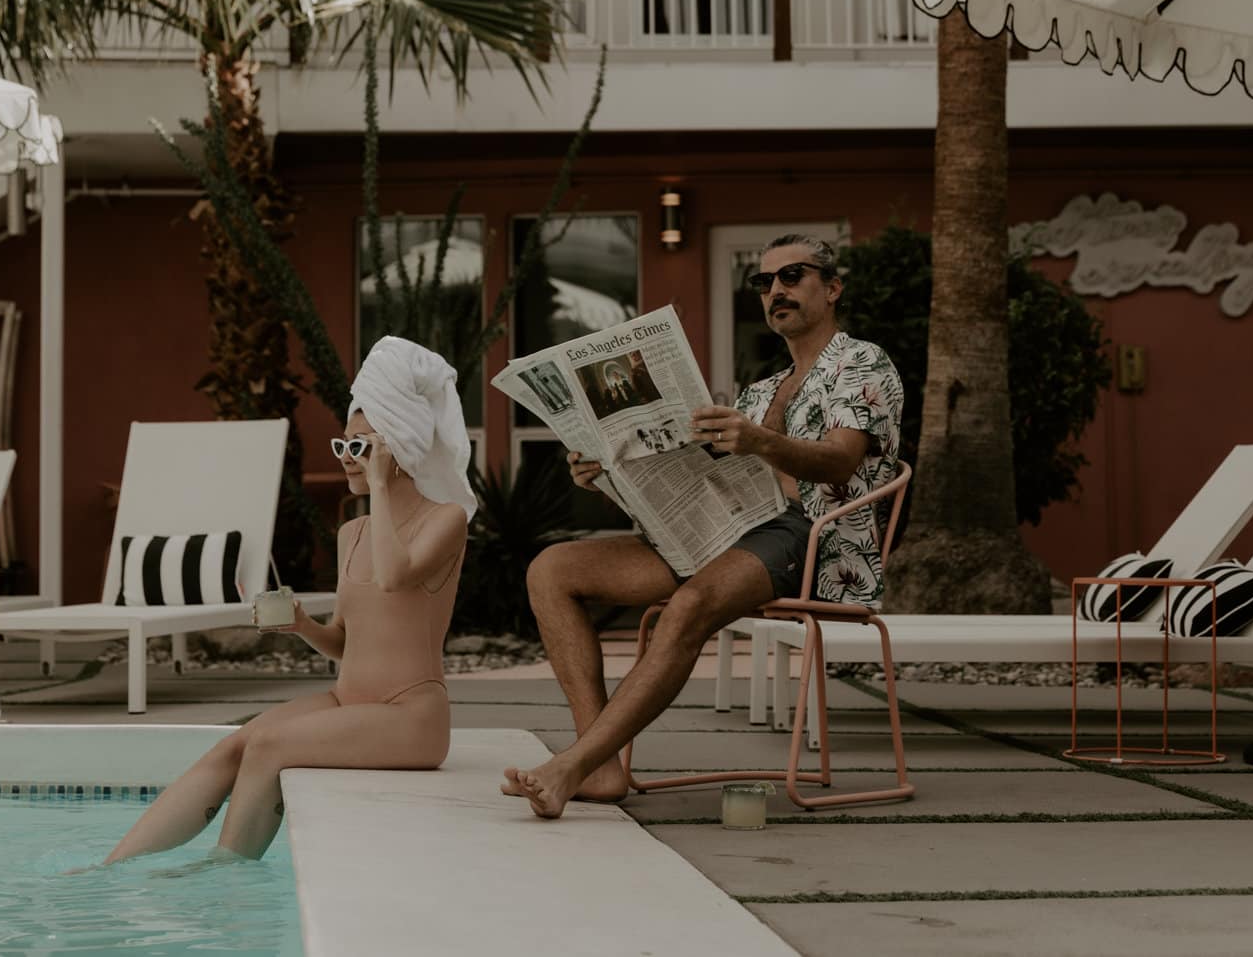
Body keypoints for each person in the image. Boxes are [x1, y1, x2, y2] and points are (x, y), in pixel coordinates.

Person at [505, 233, 903, 818]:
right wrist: (605, 472)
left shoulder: (861, 362)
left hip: (814, 539)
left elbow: (841, 459)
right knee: (552, 570)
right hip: (725, 533)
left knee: (687, 607)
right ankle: (602, 767)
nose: (776, 291)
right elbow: (700, 484)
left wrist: (759, 439)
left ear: (833, 287)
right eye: (764, 283)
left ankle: (570, 765)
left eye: (792, 277)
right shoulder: (762, 389)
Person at [103, 337, 473, 864]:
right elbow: (346, 643)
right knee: (237, 742)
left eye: (360, 447)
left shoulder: (447, 520)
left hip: (411, 717)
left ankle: (223, 876)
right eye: (342, 445)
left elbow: (394, 577)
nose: (347, 459)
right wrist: (302, 625)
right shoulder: (354, 532)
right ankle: (111, 868)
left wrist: (383, 485)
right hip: (349, 702)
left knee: (270, 748)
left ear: (400, 446)